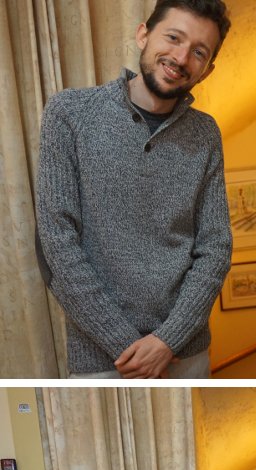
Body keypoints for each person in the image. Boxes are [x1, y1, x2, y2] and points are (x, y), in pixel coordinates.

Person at [35, 0, 232, 378]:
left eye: (198, 52)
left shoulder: (205, 134)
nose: (180, 57)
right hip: (102, 358)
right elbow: (56, 241)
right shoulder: (70, 113)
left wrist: (167, 341)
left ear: (206, 70)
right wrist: (126, 345)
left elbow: (215, 248)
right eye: (173, 38)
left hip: (183, 355)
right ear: (143, 34)